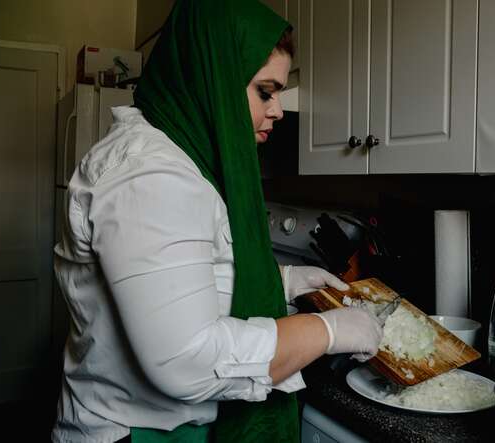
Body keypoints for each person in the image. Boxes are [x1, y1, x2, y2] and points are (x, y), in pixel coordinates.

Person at [51, 1, 386, 442]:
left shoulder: (185, 159)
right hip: (135, 433)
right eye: (265, 91)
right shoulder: (151, 176)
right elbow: (185, 360)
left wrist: (280, 281)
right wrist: (326, 330)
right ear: (211, 83)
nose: (278, 110)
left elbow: (182, 276)